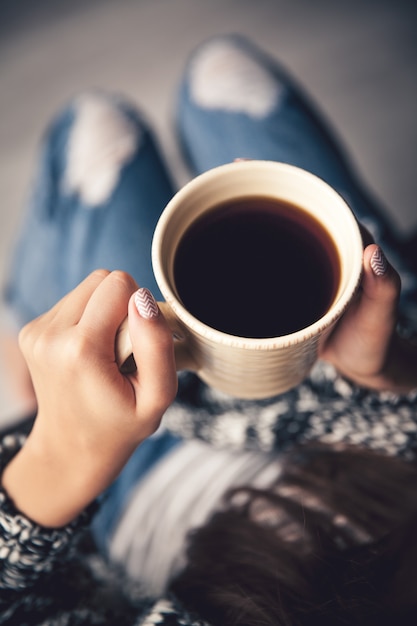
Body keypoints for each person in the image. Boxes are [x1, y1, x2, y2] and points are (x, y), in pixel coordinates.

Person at [0, 34, 417, 624]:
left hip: (134, 473)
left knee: (97, 129)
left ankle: (28, 350)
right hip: (358, 388)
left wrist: (62, 456)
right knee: (224, 72)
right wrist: (391, 370)